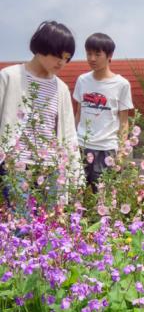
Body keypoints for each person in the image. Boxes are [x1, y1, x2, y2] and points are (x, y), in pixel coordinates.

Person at [0, 20, 83, 210]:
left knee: (50, 226)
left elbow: (69, 134)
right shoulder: (9, 77)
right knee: (21, 224)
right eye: (58, 56)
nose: (62, 63)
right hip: (17, 164)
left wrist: (75, 173)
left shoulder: (61, 88)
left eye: (66, 58)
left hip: (52, 167)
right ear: (40, 49)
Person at [73, 32, 133, 191]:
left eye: (97, 54)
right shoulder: (82, 80)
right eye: (89, 53)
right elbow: (79, 113)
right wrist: (71, 141)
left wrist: (120, 153)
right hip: (81, 146)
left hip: (106, 149)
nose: (92, 58)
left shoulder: (121, 84)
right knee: (73, 195)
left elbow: (124, 121)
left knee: (103, 199)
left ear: (109, 55)